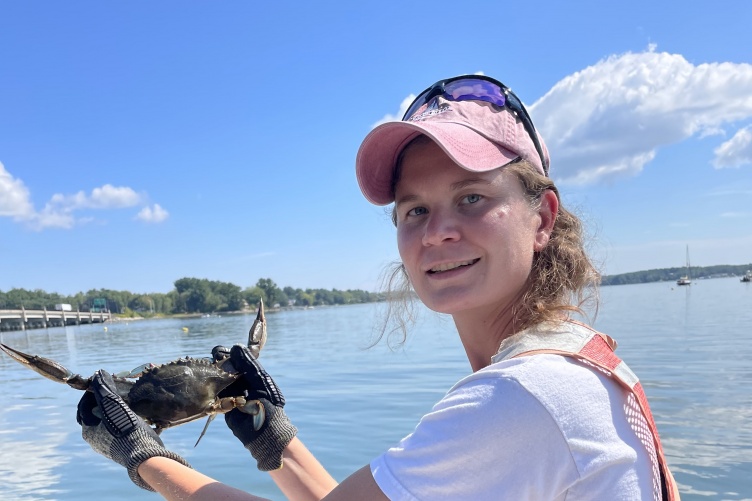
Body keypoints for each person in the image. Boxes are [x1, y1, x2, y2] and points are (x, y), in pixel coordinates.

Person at [76, 74, 680, 500]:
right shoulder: (567, 363)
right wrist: (273, 441)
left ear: (543, 217)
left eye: (472, 197)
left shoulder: (527, 397)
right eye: (414, 209)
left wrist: (143, 456)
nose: (438, 231)